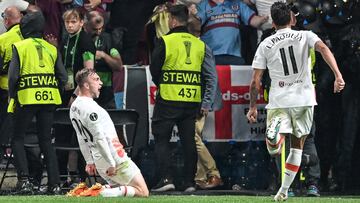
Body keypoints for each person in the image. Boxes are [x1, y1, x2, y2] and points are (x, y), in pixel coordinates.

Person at [246, 2, 345, 201]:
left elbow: (256, 81)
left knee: (277, 148)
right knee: (298, 147)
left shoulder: (266, 44)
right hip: (304, 100)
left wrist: (253, 106)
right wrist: (338, 75)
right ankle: (285, 187)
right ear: (292, 18)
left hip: (279, 100)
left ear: (273, 22)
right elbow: (324, 49)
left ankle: (281, 175)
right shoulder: (306, 36)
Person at [150, 4, 217, 192]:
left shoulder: (165, 40)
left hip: (168, 98)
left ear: (172, 20)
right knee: (188, 141)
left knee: (162, 139)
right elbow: (208, 76)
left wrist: (164, 83)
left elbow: (155, 69)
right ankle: (189, 182)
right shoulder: (200, 44)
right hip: (192, 100)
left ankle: (166, 179)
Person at [8, 11, 67, 194]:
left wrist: (13, 96)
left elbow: (13, 76)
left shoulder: (20, 46)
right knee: (46, 141)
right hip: (49, 99)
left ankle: (25, 181)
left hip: (26, 99)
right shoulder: (51, 48)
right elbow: (63, 77)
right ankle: (55, 184)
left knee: (17, 138)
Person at [69, 68, 149, 197]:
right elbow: (99, 138)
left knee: (120, 192)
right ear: (86, 85)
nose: (100, 83)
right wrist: (112, 163)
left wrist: (89, 161)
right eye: (96, 79)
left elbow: (80, 136)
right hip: (113, 157)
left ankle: (98, 190)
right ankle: (99, 192)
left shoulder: (74, 107)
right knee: (143, 192)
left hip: (99, 161)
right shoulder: (91, 108)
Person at [187, 14, 223, 190]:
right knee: (197, 138)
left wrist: (206, 103)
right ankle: (200, 178)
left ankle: (213, 173)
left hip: (201, 100)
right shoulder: (196, 46)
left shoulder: (202, 47)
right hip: (196, 99)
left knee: (194, 138)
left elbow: (211, 78)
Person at [196, 0, 268, 65]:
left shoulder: (237, 3)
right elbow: (196, 24)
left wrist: (261, 19)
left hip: (234, 55)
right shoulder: (204, 5)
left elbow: (253, 21)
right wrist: (193, 16)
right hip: (211, 56)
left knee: (239, 79)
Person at [85, 11, 123, 109]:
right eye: (94, 29)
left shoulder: (109, 40)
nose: (98, 32)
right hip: (85, 90)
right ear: (86, 25)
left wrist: (104, 55)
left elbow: (119, 66)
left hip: (105, 92)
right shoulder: (80, 39)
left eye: (100, 28)